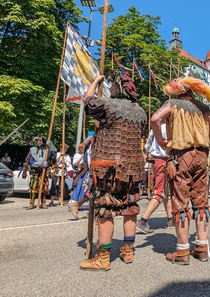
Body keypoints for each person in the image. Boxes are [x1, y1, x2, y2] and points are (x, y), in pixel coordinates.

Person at [79, 70, 147, 271]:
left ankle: (103, 258)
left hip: (108, 170)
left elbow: (88, 101)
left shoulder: (109, 104)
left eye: (113, 85)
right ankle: (128, 251)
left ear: (121, 88)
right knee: (130, 207)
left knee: (105, 208)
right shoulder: (141, 111)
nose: (110, 88)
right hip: (133, 168)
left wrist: (96, 80)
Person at [150, 77, 210, 265]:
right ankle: (202, 248)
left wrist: (161, 140)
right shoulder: (204, 107)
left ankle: (182, 251)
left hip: (182, 156)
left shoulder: (173, 104)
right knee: (201, 202)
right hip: (202, 156)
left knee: (180, 200)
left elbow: (155, 119)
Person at [136, 123, 174, 234]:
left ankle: (171, 219)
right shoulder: (171, 127)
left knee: (167, 192)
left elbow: (147, 147)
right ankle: (143, 221)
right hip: (164, 160)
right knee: (160, 193)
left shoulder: (156, 127)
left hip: (156, 160)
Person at [26, 135, 57, 210]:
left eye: (40, 141)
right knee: (33, 187)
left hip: (44, 171)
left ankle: (43, 203)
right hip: (36, 171)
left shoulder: (47, 150)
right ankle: (31, 203)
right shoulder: (32, 150)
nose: (38, 142)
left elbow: (53, 156)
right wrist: (40, 164)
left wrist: (51, 146)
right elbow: (31, 161)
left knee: (44, 188)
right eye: (37, 141)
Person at [70, 136, 92, 220]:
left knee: (95, 192)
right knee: (93, 192)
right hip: (92, 171)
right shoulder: (91, 145)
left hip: (96, 170)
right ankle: (77, 204)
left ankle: (79, 205)